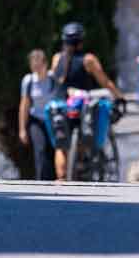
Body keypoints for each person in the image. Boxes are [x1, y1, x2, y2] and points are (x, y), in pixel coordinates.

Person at [49, 22, 126, 182]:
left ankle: (62, 178)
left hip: (61, 106)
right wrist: (119, 96)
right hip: (82, 107)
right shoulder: (88, 60)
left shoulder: (57, 59)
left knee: (61, 146)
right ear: (82, 41)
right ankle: (82, 162)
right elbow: (105, 81)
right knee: (87, 132)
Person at [18, 49, 57, 180]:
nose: (37, 70)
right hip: (36, 119)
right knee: (40, 150)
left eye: (39, 66)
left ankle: (55, 179)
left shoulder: (53, 78)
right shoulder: (28, 81)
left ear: (45, 64)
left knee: (53, 150)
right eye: (34, 67)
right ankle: (41, 181)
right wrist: (22, 129)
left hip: (53, 119)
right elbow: (24, 105)